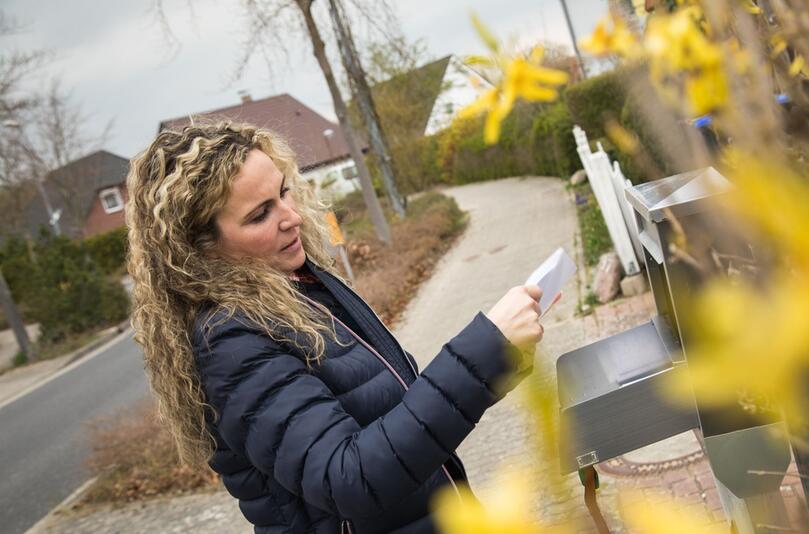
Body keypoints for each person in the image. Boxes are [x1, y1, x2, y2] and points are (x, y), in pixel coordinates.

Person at [126, 122, 555, 533]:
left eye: (283, 193)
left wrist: (496, 358)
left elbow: (391, 409)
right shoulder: (229, 341)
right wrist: (479, 355)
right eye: (260, 215)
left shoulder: (300, 286)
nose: (290, 217)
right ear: (202, 249)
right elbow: (350, 478)